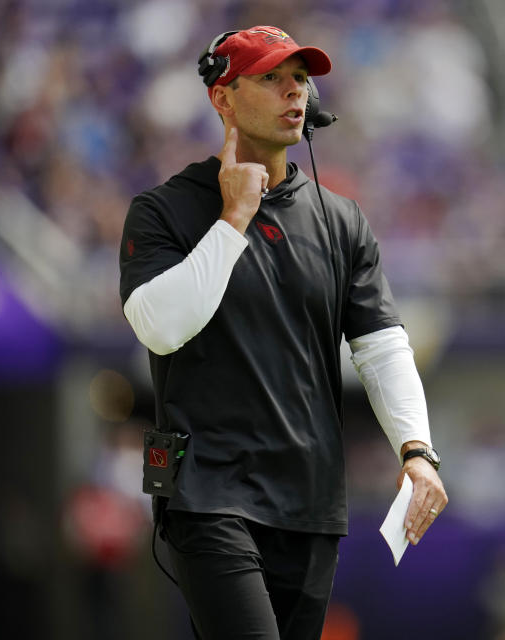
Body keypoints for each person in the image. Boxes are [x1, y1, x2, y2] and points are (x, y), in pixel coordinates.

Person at [118, 25, 448, 640]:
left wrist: (417, 450)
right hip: (207, 493)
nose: (293, 92)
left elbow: (381, 345)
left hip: (311, 499)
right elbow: (160, 329)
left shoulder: (341, 219)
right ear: (223, 97)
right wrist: (234, 216)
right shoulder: (163, 210)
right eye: (271, 78)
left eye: (300, 78)